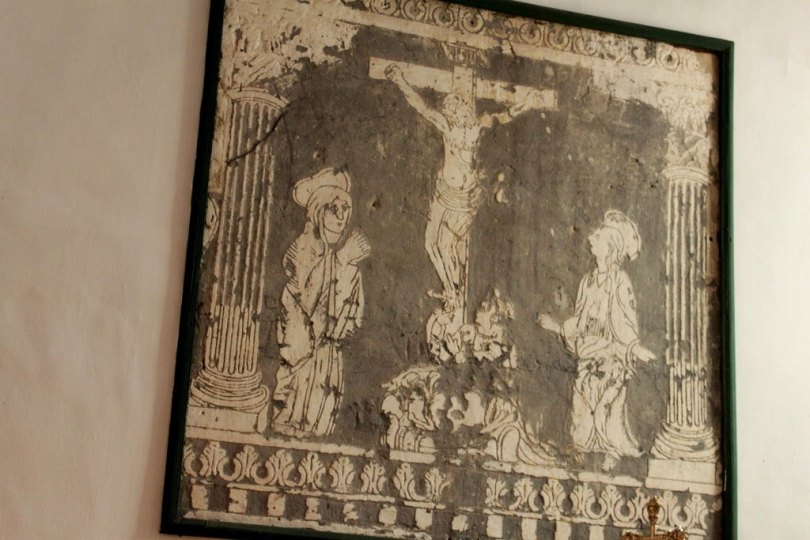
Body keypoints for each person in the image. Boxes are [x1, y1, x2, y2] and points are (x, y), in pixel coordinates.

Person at [385, 63, 542, 313]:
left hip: (465, 197)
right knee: (430, 243)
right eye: (449, 108)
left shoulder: (477, 126)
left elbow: (506, 115)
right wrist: (400, 81)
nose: (452, 111)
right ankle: (450, 288)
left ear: (462, 109)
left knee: (447, 244)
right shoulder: (448, 127)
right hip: (443, 192)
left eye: (455, 107)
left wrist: (528, 102)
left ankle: (454, 291)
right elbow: (421, 106)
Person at [537, 210, 655, 471]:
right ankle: (581, 448)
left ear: (610, 246)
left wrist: (633, 348)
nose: (591, 238)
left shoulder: (620, 281)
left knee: (607, 407)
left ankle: (612, 450)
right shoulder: (587, 281)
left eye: (598, 236)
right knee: (581, 403)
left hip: (611, 355)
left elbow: (626, 321)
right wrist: (558, 327)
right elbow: (580, 320)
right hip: (589, 354)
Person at [272, 168, 370, 438]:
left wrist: (345, 265)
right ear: (317, 213)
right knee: (296, 429)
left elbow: (350, 319)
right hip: (304, 360)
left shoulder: (339, 258)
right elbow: (307, 307)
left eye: (345, 209)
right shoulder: (303, 250)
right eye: (333, 209)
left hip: (328, 362)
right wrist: (341, 261)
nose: (341, 217)